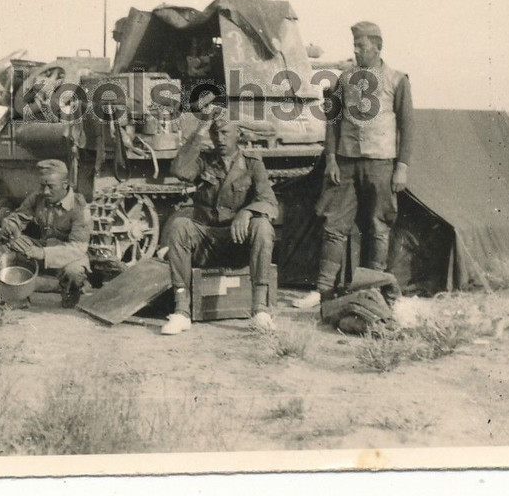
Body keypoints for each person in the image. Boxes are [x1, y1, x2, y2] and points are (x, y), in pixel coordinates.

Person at [293, 21, 414, 309]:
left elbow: (408, 127)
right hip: (345, 164)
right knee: (334, 225)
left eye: (361, 45)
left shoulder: (397, 80)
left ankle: (373, 290)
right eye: (354, 45)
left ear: (377, 46)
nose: (356, 51)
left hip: (381, 164)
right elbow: (332, 122)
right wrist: (332, 159)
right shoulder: (344, 79)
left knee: (378, 227)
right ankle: (322, 291)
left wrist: (403, 166)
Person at [159, 108, 280, 335]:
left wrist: (247, 213)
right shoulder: (204, 161)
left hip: (238, 243)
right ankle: (181, 311)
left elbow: (269, 203)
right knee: (179, 226)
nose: (220, 139)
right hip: (207, 241)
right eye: (215, 134)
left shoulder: (253, 164)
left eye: (225, 133)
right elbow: (179, 170)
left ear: (238, 135)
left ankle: (260, 310)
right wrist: (201, 128)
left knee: (262, 226)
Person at [0, 159, 93, 307]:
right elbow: (19, 216)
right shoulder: (37, 198)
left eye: (51, 187)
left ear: (65, 184)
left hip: (69, 254)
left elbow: (78, 248)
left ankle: (71, 291)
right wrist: (10, 225)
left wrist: (42, 253)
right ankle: (17, 295)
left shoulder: (79, 207)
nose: (46, 192)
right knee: (6, 242)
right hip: (43, 246)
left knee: (74, 272)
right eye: (43, 186)